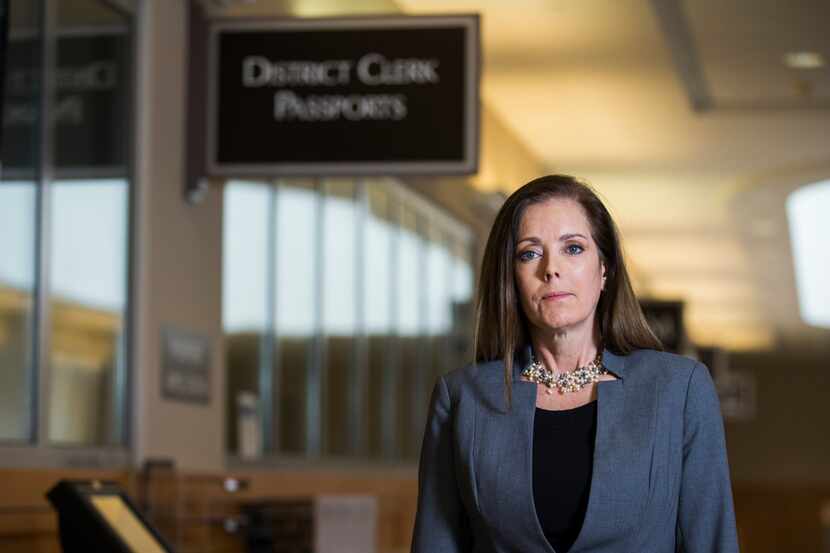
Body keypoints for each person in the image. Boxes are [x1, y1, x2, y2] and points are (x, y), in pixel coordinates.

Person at [410, 175, 739, 553]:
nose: (551, 269)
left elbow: (713, 543)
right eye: (529, 253)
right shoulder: (462, 398)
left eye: (574, 248)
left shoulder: (679, 390)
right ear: (511, 278)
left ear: (604, 269)